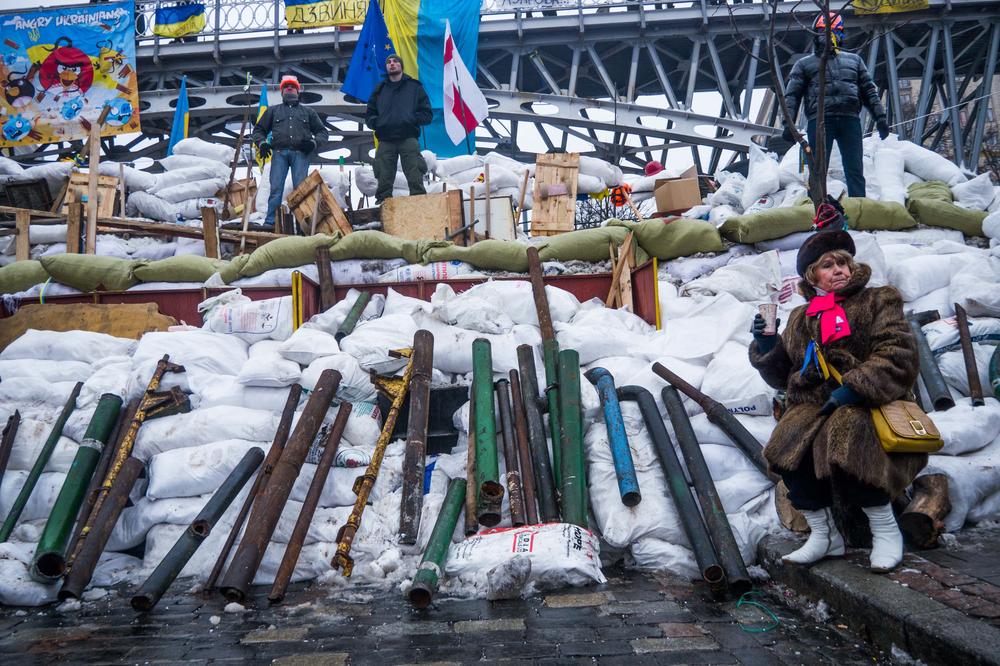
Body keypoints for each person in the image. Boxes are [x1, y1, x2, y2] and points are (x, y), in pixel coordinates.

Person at [748, 229, 925, 573]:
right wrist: (767, 347)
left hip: (870, 399)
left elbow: (898, 353)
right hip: (816, 404)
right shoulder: (802, 317)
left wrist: (855, 388)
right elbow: (783, 375)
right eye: (827, 265)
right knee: (784, 445)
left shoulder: (879, 300)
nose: (839, 269)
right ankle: (824, 534)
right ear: (811, 276)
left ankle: (885, 529)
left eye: (843, 262)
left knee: (847, 432)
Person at [782, 13, 888, 198]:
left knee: (855, 169)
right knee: (817, 171)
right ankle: (818, 211)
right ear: (816, 34)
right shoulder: (804, 64)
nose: (829, 36)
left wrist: (880, 117)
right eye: (824, 32)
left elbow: (869, 90)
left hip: (850, 120)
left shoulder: (855, 61)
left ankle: (859, 210)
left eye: (833, 32)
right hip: (820, 121)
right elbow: (791, 96)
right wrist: (788, 125)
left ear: (841, 34)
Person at [251, 75, 329, 229]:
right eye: (286, 86)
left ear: (297, 91)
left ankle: (302, 223)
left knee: (301, 189)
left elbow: (322, 132)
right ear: (282, 92)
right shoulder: (272, 111)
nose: (289, 88)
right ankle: (270, 222)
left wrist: (313, 143)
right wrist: (262, 144)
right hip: (279, 153)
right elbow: (258, 130)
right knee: (276, 188)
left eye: (292, 86)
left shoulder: (308, 112)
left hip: (301, 154)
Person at [366, 54, 432, 204]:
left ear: (401, 66)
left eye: (395, 61)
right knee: (383, 173)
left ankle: (418, 201)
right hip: (386, 138)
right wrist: (378, 123)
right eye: (389, 62)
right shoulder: (379, 89)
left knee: (414, 169)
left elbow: (427, 114)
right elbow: (369, 114)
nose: (392, 64)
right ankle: (383, 203)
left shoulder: (414, 87)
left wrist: (410, 120)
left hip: (408, 136)